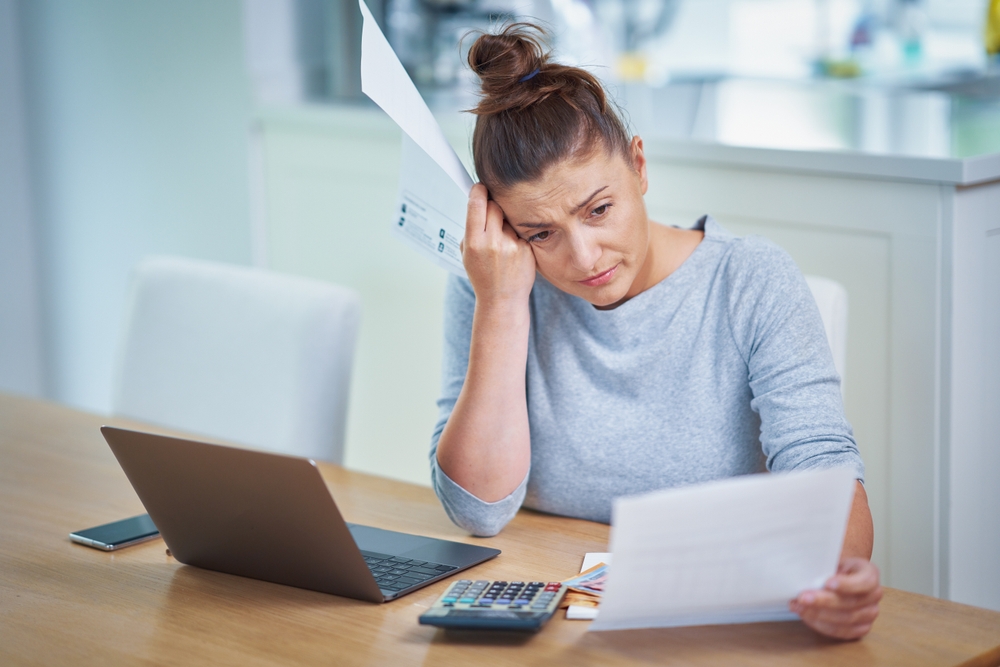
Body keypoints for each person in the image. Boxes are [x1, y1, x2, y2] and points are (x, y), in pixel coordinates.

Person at [428, 23, 882, 640]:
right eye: (540, 233)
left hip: (719, 623)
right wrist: (504, 304)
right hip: (551, 620)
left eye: (599, 210)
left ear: (639, 167)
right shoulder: (494, 287)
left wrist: (838, 576)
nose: (585, 257)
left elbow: (822, 467)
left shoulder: (751, 279)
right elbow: (478, 512)